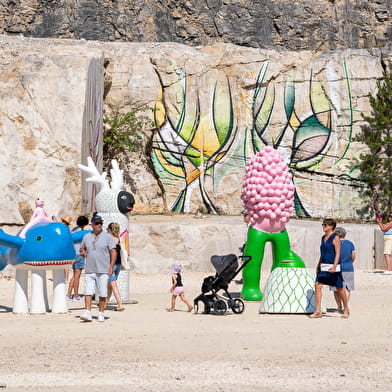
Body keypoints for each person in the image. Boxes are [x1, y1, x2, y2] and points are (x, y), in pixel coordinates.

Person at [310, 218, 349, 319]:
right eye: (323, 225)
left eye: (325, 225)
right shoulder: (323, 237)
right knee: (317, 285)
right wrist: (318, 266)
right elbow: (322, 253)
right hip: (323, 266)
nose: (323, 226)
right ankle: (318, 311)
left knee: (339, 288)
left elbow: (338, 253)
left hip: (333, 266)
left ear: (331, 226)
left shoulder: (335, 237)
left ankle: (346, 308)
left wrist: (335, 265)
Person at [79, 214, 116, 322]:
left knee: (102, 292)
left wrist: (111, 266)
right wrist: (82, 252)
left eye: (101, 223)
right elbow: (82, 248)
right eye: (97, 223)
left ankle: (101, 312)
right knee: (88, 291)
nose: (99, 225)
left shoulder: (107, 237)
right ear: (92, 225)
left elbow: (113, 251)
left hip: (103, 269)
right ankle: (88, 312)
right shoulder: (86, 237)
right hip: (90, 268)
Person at [330, 227, 355, 313]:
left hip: (336, 267)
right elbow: (353, 256)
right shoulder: (350, 244)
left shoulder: (333, 243)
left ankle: (339, 306)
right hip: (348, 267)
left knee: (335, 288)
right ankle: (345, 306)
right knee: (347, 288)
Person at [66, 216, 89, 301]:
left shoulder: (74, 230)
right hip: (79, 254)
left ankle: (68, 294)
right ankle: (76, 296)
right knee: (77, 276)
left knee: (74, 276)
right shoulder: (82, 232)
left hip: (73, 254)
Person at [105, 222, 125, 311]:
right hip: (118, 264)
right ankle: (105, 303)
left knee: (113, 285)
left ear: (109, 229)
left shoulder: (108, 239)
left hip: (111, 265)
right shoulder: (118, 238)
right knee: (110, 285)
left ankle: (120, 305)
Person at [61, 215, 72, 282]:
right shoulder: (67, 228)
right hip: (66, 247)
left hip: (64, 247)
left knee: (65, 263)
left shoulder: (64, 229)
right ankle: (66, 277)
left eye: (63, 221)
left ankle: (66, 278)